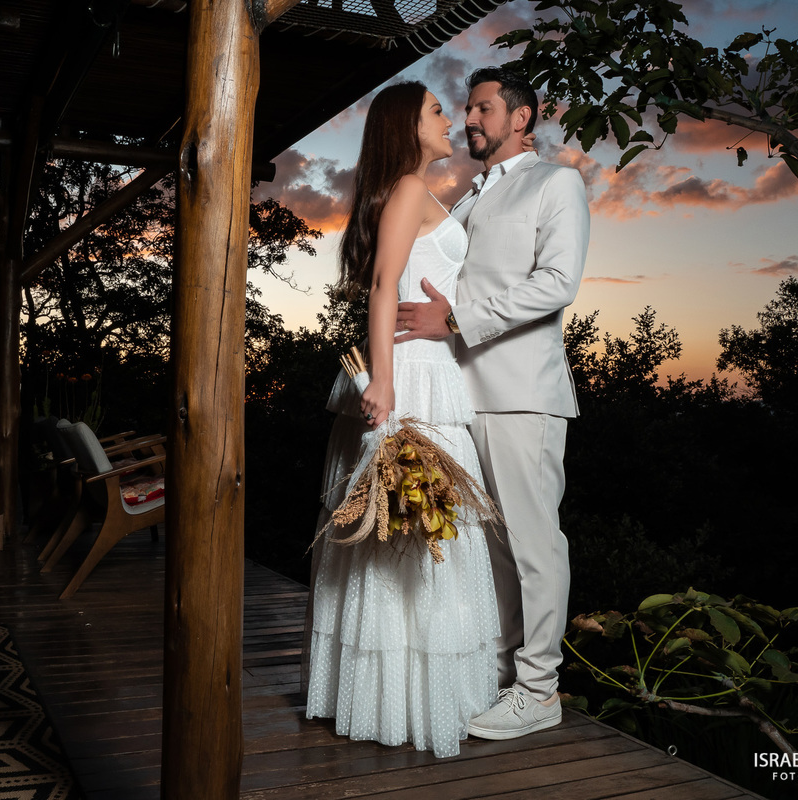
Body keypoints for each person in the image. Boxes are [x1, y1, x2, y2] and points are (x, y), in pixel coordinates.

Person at [302, 81, 501, 758]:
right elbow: (385, 285)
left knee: (420, 537)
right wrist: (385, 381)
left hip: (429, 368)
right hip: (412, 379)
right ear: (407, 127)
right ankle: (409, 705)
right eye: (438, 112)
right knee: (416, 538)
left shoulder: (419, 190)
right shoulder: (410, 189)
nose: (450, 121)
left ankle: (401, 699)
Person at [395, 66, 590, 740]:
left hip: (522, 393)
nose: (470, 120)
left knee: (536, 546)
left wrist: (456, 320)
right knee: (497, 549)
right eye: (467, 110)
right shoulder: (470, 194)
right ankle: (508, 675)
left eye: (483, 109)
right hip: (463, 394)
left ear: (522, 117)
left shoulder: (555, 182)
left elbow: (557, 283)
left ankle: (539, 691)